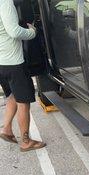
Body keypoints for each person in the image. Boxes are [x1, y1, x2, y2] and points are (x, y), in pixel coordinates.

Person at [0, 0, 45, 152]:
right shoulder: (5, 3)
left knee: (13, 95)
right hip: (14, 63)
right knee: (23, 101)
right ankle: (26, 141)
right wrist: (32, 32)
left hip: (1, 62)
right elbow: (14, 32)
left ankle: (6, 129)